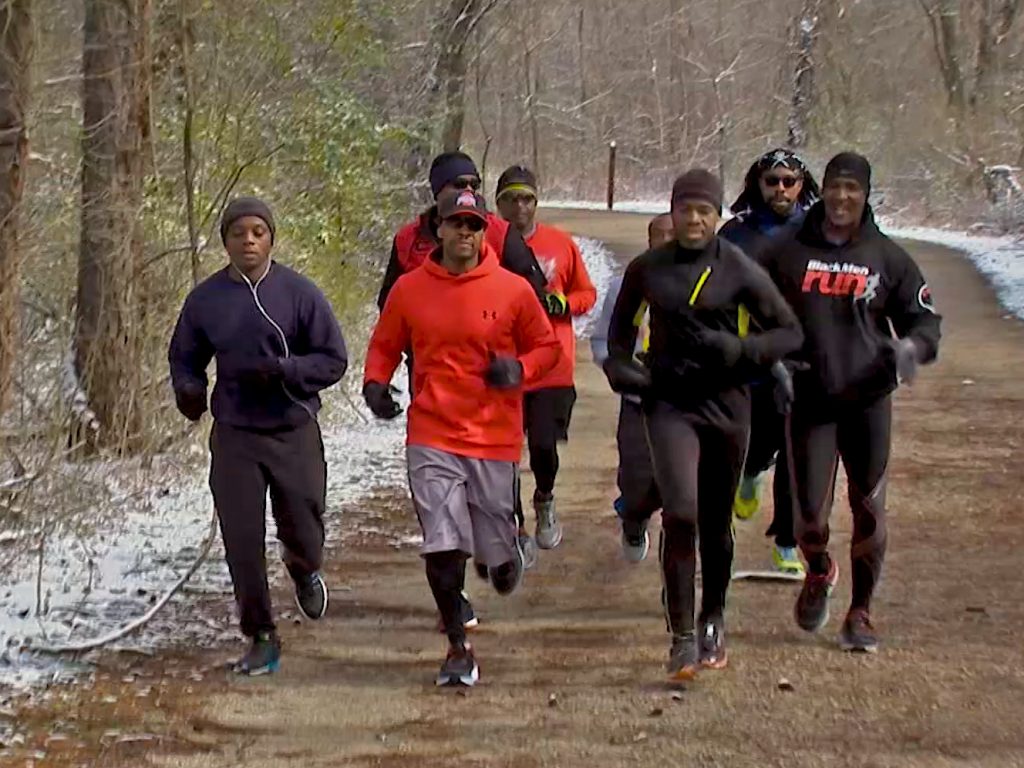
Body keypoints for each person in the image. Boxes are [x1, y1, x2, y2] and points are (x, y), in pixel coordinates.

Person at [605, 170, 803, 680]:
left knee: (715, 522)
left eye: (704, 211)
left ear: (717, 216)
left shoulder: (738, 268)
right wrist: (622, 370)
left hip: (727, 404)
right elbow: (620, 335)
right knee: (681, 512)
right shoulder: (648, 269)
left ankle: (712, 616)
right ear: (672, 212)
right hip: (670, 403)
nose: (693, 220)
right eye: (685, 210)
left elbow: (788, 333)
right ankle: (681, 637)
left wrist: (741, 349)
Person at [363, 188, 561, 687]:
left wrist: (519, 369)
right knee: (442, 541)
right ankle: (457, 645)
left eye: (474, 225)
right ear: (440, 228)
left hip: (493, 434)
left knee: (492, 549)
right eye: (456, 223)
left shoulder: (512, 289)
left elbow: (547, 348)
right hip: (432, 431)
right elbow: (385, 344)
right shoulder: (410, 289)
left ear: (484, 232)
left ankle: (503, 553)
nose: (465, 233)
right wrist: (375, 384)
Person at [755, 152, 941, 653]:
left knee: (869, 509)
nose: (842, 197)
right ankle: (819, 569)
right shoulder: (787, 251)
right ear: (824, 189)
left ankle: (861, 612)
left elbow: (924, 320)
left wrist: (912, 348)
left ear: (865, 195)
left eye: (852, 189)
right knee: (808, 518)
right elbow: (750, 307)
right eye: (835, 186)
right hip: (809, 399)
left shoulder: (888, 258)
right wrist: (769, 358)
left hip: (868, 400)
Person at [168, 197, 348, 676]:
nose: (248, 240)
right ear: (225, 241)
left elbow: (334, 359)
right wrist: (189, 390)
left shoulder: (299, 293)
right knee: (242, 539)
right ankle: (262, 635)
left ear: (271, 239)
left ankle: (304, 568)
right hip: (236, 434)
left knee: (304, 526)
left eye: (257, 232)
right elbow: (184, 357)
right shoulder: (205, 300)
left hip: (293, 429)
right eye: (238, 233)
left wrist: (287, 370)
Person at [377, 151, 547, 576]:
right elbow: (388, 308)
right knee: (442, 514)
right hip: (432, 384)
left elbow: (535, 299)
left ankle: (504, 536)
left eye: (474, 184)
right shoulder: (408, 240)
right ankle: (453, 584)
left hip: (493, 386)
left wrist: (516, 364)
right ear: (437, 196)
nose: (468, 191)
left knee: (491, 491)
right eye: (458, 185)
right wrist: (390, 366)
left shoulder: (501, 235)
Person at [719, 148, 821, 576]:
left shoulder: (818, 231)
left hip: (805, 357)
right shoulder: (736, 234)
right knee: (757, 444)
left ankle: (787, 541)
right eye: (772, 181)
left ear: (802, 185)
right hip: (752, 358)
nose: (781, 189)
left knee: (798, 454)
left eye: (789, 181)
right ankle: (750, 472)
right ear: (757, 184)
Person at [496, 165, 597, 552]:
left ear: (536, 202)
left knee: (542, 445)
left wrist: (564, 303)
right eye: (511, 199)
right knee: (503, 452)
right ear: (500, 205)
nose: (519, 207)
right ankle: (514, 523)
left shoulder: (560, 244)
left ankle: (545, 498)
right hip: (504, 365)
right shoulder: (487, 245)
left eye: (526, 199)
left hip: (552, 366)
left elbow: (587, 294)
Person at [590, 212, 673, 561]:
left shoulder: (708, 281)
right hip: (639, 399)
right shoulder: (628, 284)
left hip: (686, 401)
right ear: (649, 240)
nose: (668, 241)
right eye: (661, 235)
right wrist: (620, 368)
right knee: (638, 478)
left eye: (674, 233)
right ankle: (635, 517)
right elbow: (603, 341)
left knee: (684, 483)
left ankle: (679, 550)